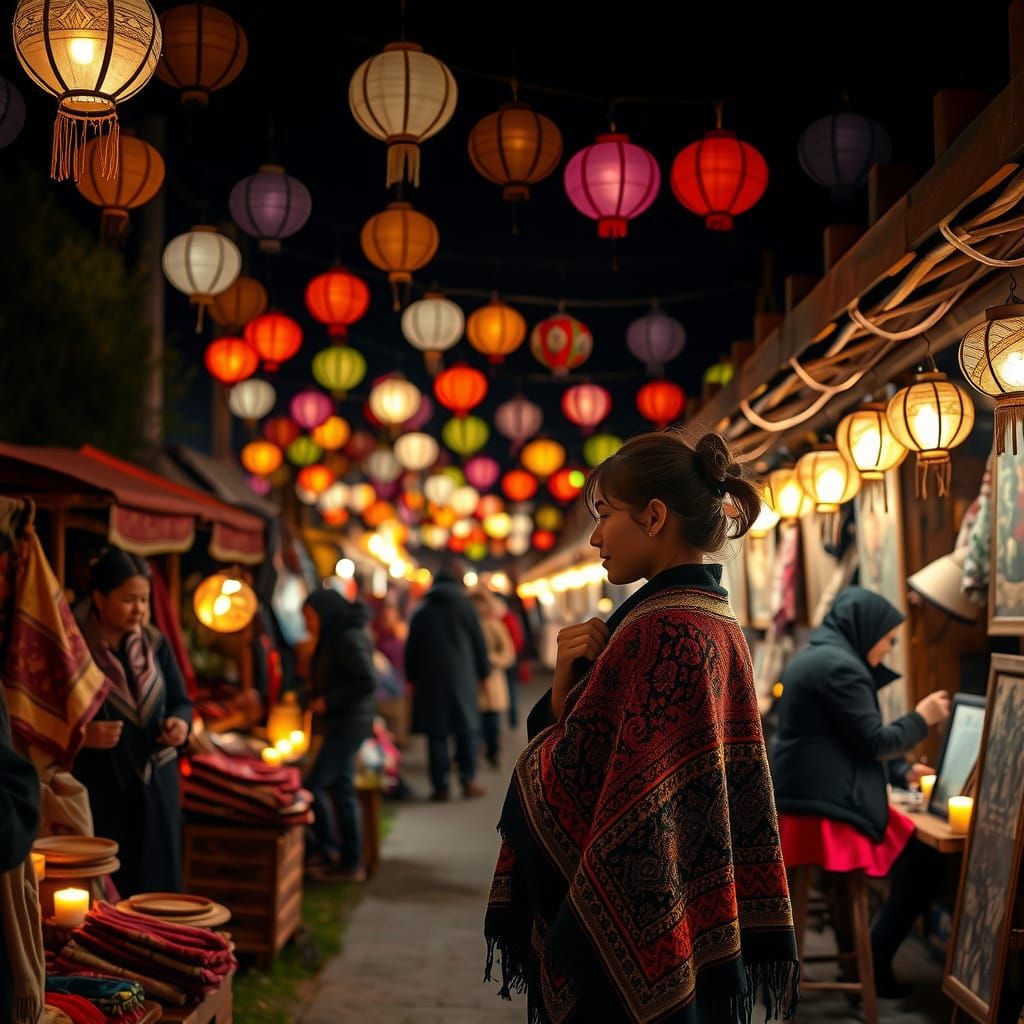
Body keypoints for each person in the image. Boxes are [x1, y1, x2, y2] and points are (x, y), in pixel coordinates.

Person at [485, 431, 799, 1024]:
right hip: (687, 911)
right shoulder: (717, 621)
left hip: (638, 912)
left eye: (604, 515)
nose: (597, 537)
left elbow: (566, 780)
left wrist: (561, 693)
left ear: (654, 516)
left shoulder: (657, 629)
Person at [771, 585, 950, 997]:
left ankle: (860, 951)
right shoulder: (841, 667)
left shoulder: (822, 653)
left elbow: (841, 739)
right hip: (820, 807)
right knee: (926, 857)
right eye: (888, 641)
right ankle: (877, 955)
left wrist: (900, 772)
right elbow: (872, 742)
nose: (887, 651)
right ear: (867, 631)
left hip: (802, 796)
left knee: (918, 849)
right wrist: (921, 719)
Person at [73, 549, 192, 897]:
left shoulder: (155, 643)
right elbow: (47, 715)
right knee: (112, 889)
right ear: (99, 597)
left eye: (144, 599)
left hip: (157, 783)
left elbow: (182, 701)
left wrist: (180, 725)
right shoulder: (74, 649)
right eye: (128, 600)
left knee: (159, 885)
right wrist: (82, 735)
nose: (139, 609)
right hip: (102, 786)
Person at [302, 587, 377, 882]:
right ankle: (349, 861)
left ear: (325, 614)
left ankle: (329, 850)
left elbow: (366, 681)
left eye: (310, 617)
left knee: (315, 785)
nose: (308, 624)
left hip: (348, 724)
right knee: (342, 789)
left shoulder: (346, 638)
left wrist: (329, 701)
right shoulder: (337, 635)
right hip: (343, 723)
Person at [405, 559, 490, 801]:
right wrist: (483, 674)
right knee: (465, 729)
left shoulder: (422, 610)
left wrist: (411, 676)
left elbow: (412, 648)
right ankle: (468, 779)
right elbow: (478, 643)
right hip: (462, 676)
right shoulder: (465, 607)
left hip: (429, 680)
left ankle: (440, 786)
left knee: (436, 733)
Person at [468, 587, 516, 768]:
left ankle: (492, 753)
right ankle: (475, 756)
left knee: (493, 723)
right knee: (475, 724)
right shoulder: (469, 627)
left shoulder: (495, 626)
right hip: (473, 681)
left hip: (493, 680)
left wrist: (493, 659)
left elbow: (507, 651)